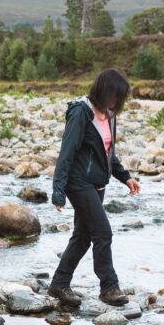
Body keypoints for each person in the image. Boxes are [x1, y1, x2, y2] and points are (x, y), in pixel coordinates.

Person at [49, 68, 140, 307]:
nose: (117, 102)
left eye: (120, 99)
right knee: (103, 233)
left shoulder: (110, 114)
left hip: (98, 184)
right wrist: (58, 190)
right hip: (79, 183)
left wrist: (125, 177)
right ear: (104, 90)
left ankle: (59, 284)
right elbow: (67, 152)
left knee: (82, 237)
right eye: (115, 96)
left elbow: (108, 152)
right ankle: (109, 287)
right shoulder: (81, 112)